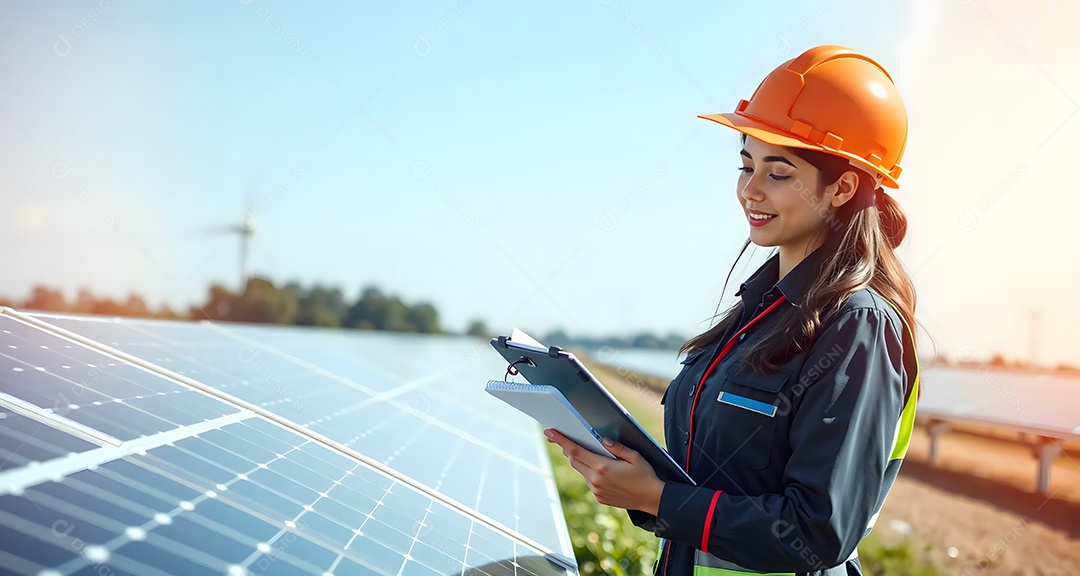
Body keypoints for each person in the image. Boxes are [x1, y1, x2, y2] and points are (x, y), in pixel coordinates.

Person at [545, 45, 922, 576]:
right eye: (746, 165)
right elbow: (718, 483)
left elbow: (817, 531)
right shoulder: (758, 313)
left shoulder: (857, 326)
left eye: (779, 172)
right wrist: (634, 484)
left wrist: (660, 500)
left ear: (842, 188)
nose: (750, 189)